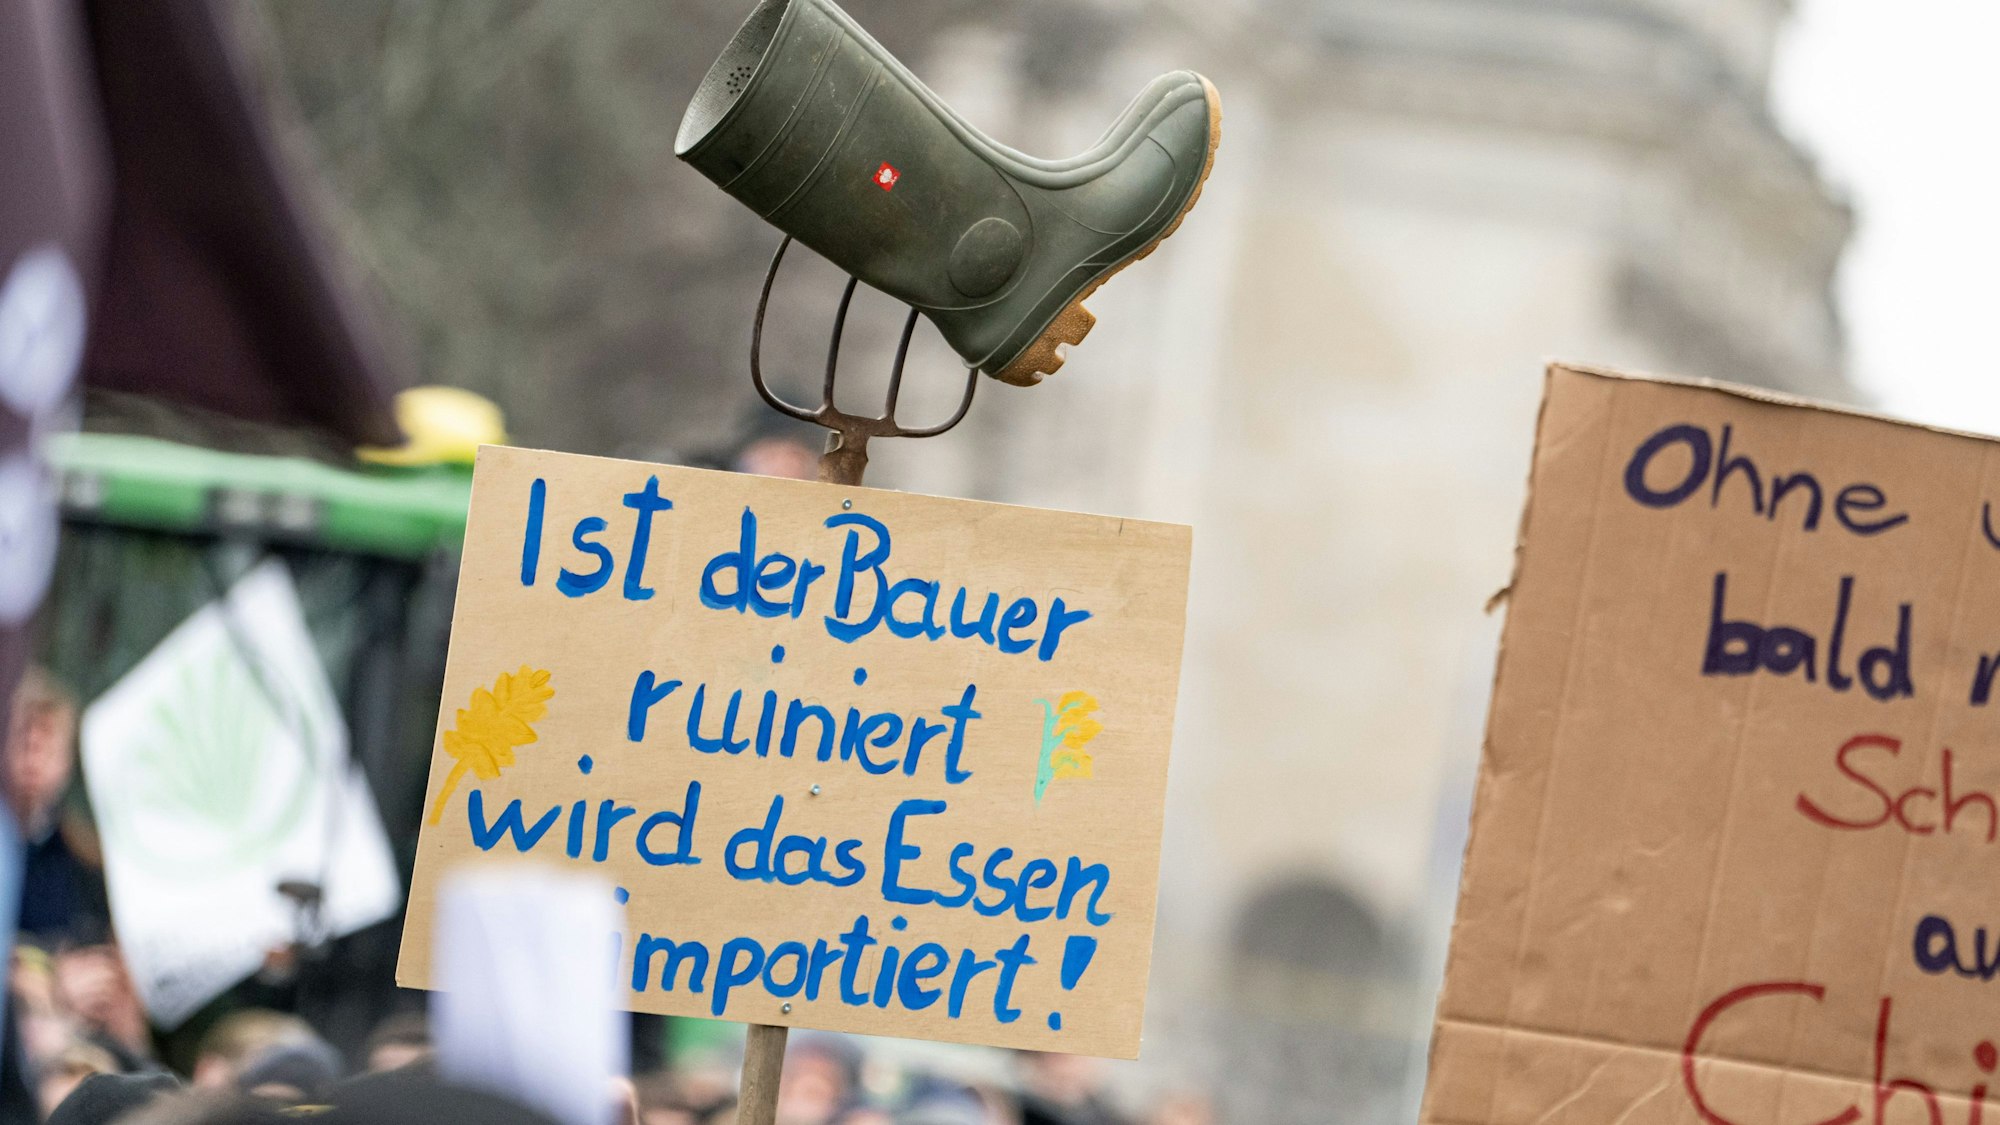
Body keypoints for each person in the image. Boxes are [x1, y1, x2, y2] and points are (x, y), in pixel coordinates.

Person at [7, 669, 109, 946]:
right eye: (23, 737)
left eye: (47, 741)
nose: (33, 755)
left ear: (66, 760)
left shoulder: (89, 864)